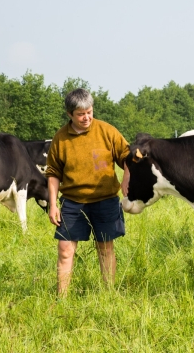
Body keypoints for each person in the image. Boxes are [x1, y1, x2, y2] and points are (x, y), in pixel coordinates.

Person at [46, 88, 130, 296]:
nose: (86, 118)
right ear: (69, 115)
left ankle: (109, 294)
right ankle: (62, 299)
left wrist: (127, 176)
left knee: (105, 248)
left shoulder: (107, 131)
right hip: (73, 202)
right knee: (65, 250)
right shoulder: (61, 138)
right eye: (80, 114)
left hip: (105, 200)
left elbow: (128, 157)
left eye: (89, 112)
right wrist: (54, 204)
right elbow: (53, 172)